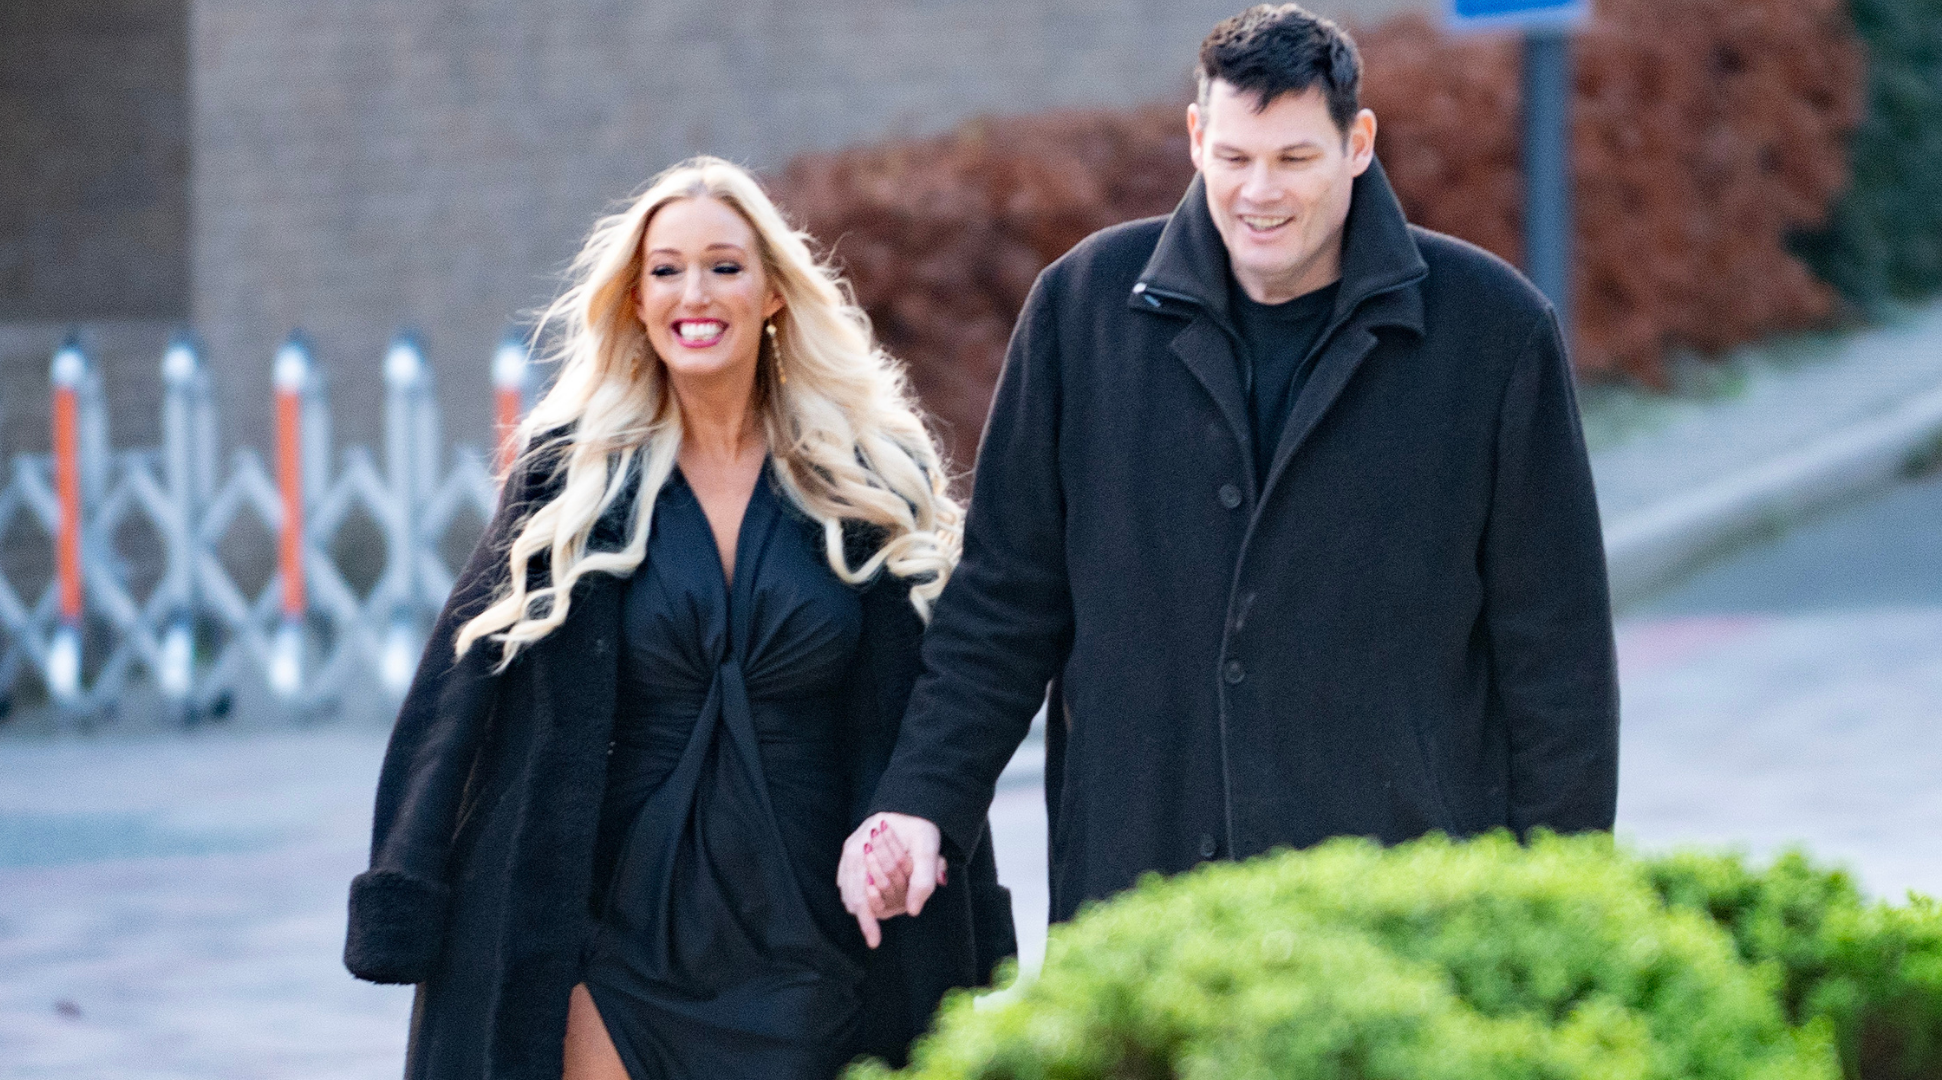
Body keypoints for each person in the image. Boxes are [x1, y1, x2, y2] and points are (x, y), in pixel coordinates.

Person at [839, 3, 1618, 938]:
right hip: (1140, 897)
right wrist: (921, 799)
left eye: (1294, 159)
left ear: (1358, 144)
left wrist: (1561, 908)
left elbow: (1556, 657)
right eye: (1236, 157)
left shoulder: (1493, 333)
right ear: (1196, 137)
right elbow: (1006, 599)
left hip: (1401, 912)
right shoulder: (1083, 311)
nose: (1261, 192)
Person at [343, 157, 1015, 1080]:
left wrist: (925, 826)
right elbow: (456, 691)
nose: (693, 293)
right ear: (636, 299)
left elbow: (936, 696)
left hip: (819, 932)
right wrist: (406, 880)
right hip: (607, 932)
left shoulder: (861, 476)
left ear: (772, 293)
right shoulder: (571, 475)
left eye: (723, 266)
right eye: (665, 270)